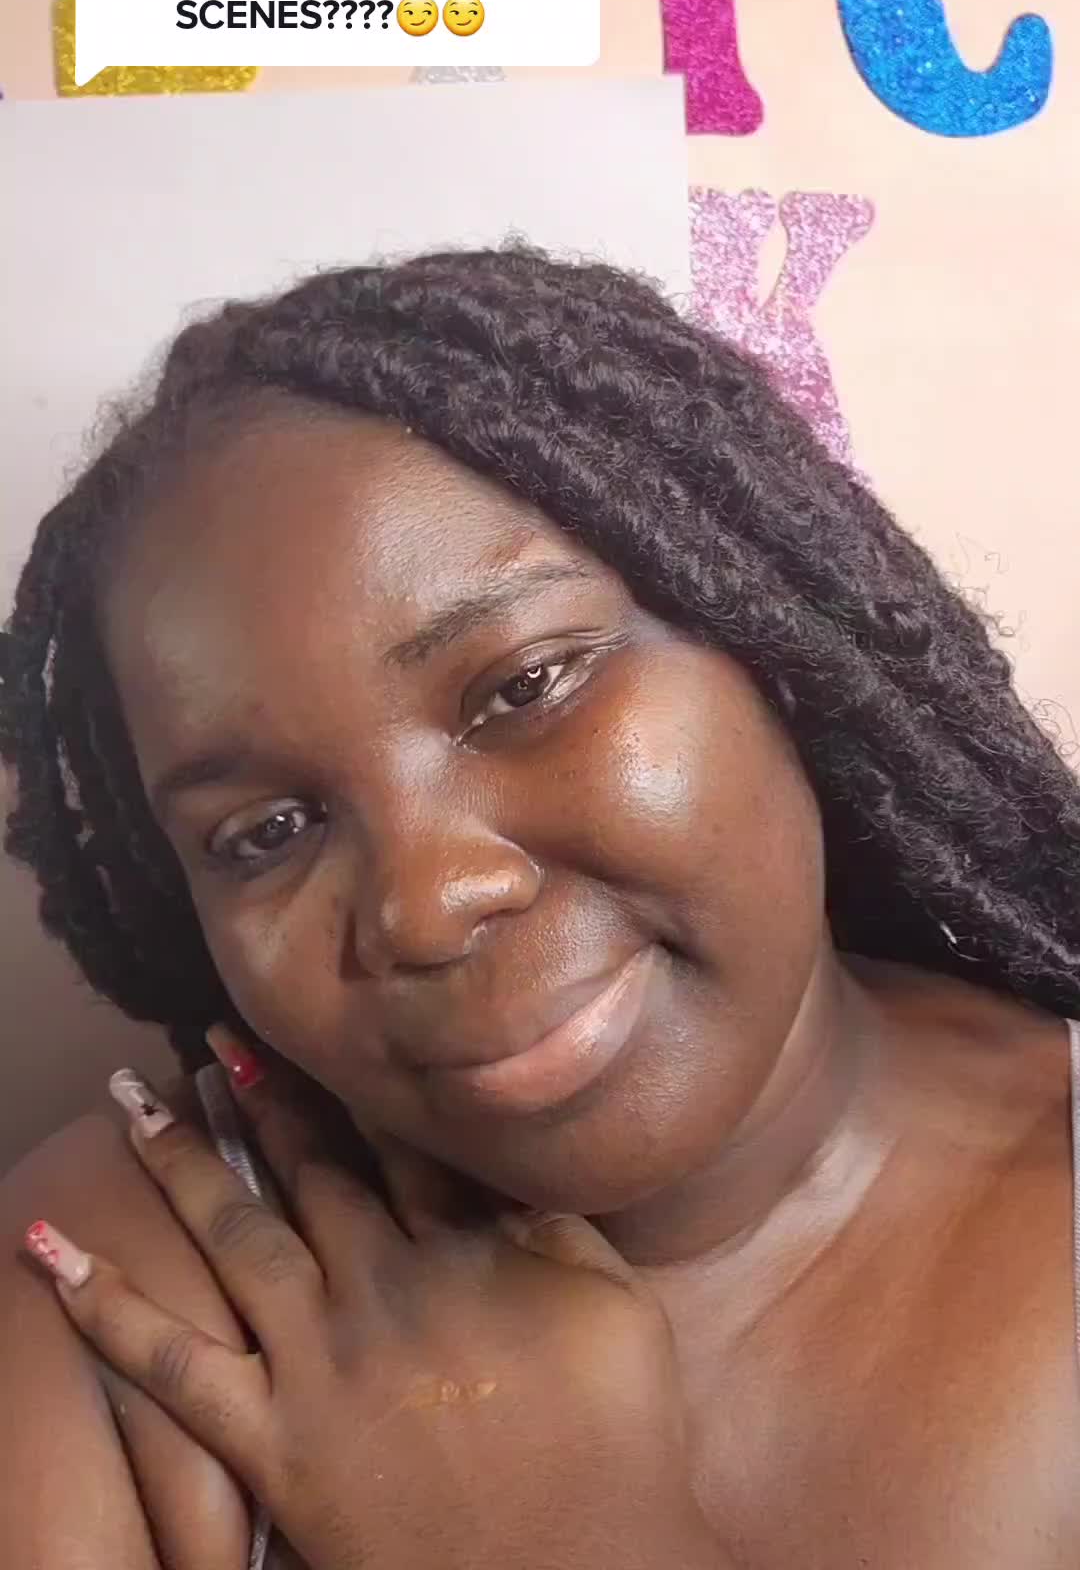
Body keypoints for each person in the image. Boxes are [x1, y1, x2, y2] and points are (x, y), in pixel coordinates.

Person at [1, 245, 1078, 1570]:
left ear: (775, 648)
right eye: (267, 832)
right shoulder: (128, 1300)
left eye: (526, 687)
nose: (425, 905)